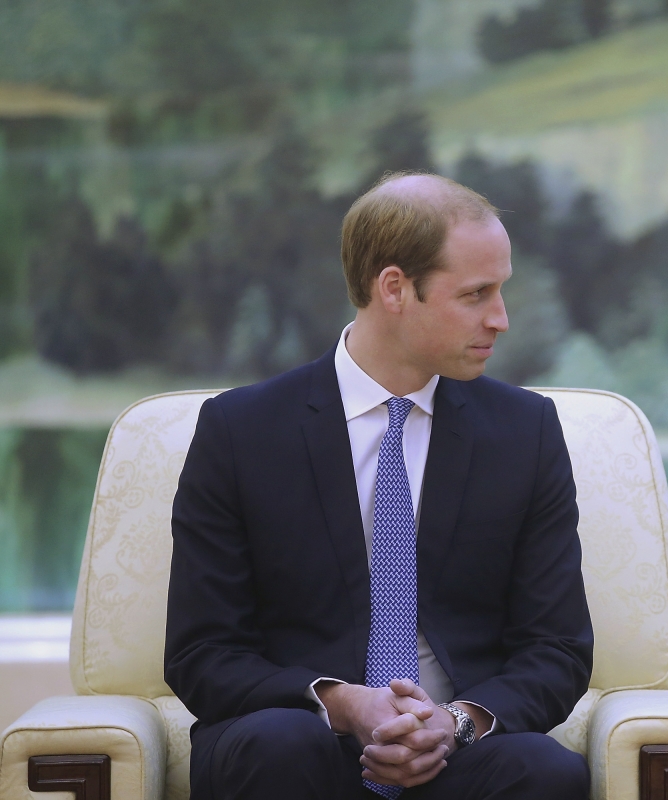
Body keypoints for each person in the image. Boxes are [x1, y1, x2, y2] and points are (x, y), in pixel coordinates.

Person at [165, 173, 593, 800]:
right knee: (281, 743)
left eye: (501, 291)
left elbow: (556, 648)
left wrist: (456, 724)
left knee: (546, 773)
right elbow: (201, 651)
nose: (500, 318)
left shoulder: (525, 432)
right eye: (476, 294)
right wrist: (343, 705)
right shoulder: (241, 430)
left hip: (456, 754)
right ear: (394, 288)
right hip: (295, 741)